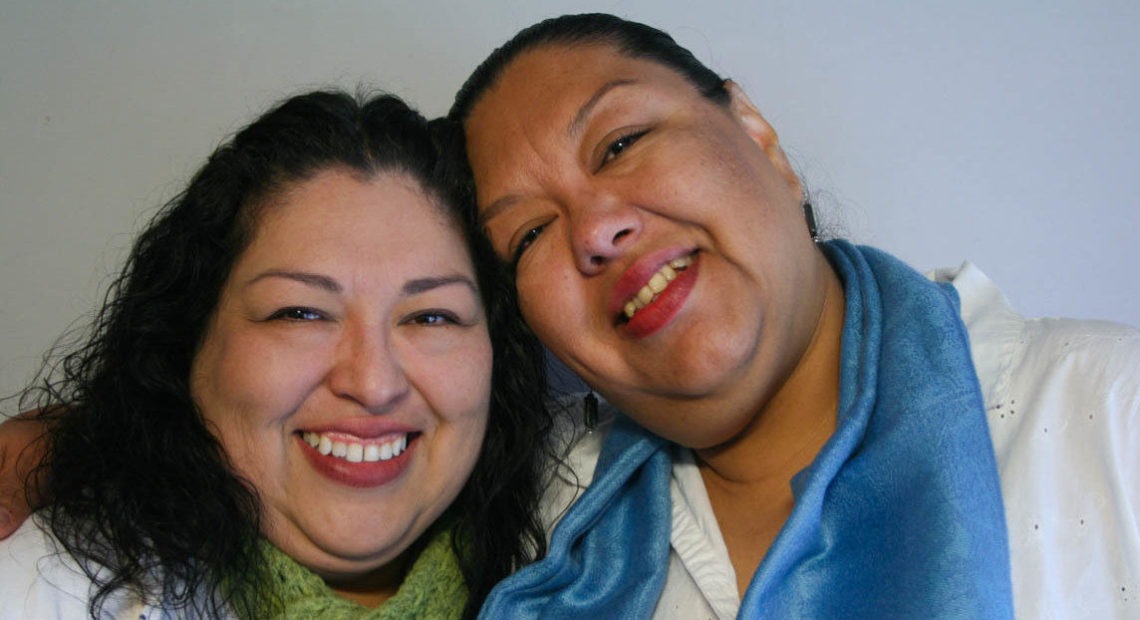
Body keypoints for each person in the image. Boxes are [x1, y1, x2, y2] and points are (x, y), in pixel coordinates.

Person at [446, 13, 1140, 619]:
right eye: (530, 235)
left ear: (757, 133)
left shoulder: (1108, 417)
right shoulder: (534, 535)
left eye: (621, 144)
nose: (596, 231)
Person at [0, 89, 552, 619]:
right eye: (300, 313)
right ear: (188, 345)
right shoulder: (30, 592)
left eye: (432, 317)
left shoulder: (607, 548)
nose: (374, 382)